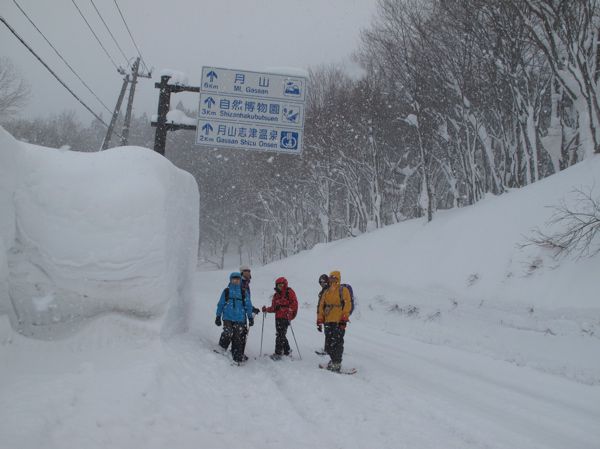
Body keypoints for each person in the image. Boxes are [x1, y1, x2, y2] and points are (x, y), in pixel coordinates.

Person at [215, 272, 255, 365]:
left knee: (237, 337)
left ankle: (237, 355)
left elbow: (248, 306)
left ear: (240, 280)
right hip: (227, 317)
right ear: (230, 280)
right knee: (227, 332)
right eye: (234, 279)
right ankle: (221, 349)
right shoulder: (226, 291)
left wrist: (250, 317)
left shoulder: (243, 292)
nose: (236, 281)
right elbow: (220, 304)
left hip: (240, 319)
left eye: (237, 279)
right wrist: (218, 316)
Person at [316, 270, 351, 372]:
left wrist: (344, 319)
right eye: (331, 277)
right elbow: (321, 306)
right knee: (329, 344)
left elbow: (347, 304)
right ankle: (333, 361)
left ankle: (337, 363)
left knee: (338, 342)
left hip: (338, 321)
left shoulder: (343, 290)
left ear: (338, 278)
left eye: (334, 277)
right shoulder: (326, 292)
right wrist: (319, 319)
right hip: (328, 321)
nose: (332, 279)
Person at [262, 277, 298, 360]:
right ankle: (287, 350)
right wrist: (266, 309)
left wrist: (290, 311)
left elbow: (294, 303)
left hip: (285, 317)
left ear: (285, 284)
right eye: (279, 285)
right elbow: (274, 308)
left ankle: (278, 353)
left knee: (280, 335)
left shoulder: (289, 292)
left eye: (282, 285)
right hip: (278, 317)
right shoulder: (276, 295)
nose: (280, 287)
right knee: (280, 334)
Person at [315, 274, 330, 354]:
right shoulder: (323, 291)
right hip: (325, 315)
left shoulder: (329, 291)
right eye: (320, 282)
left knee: (329, 333)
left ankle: (329, 350)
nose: (322, 284)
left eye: (323, 282)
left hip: (330, 316)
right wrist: (319, 319)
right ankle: (329, 350)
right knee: (328, 333)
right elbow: (320, 306)